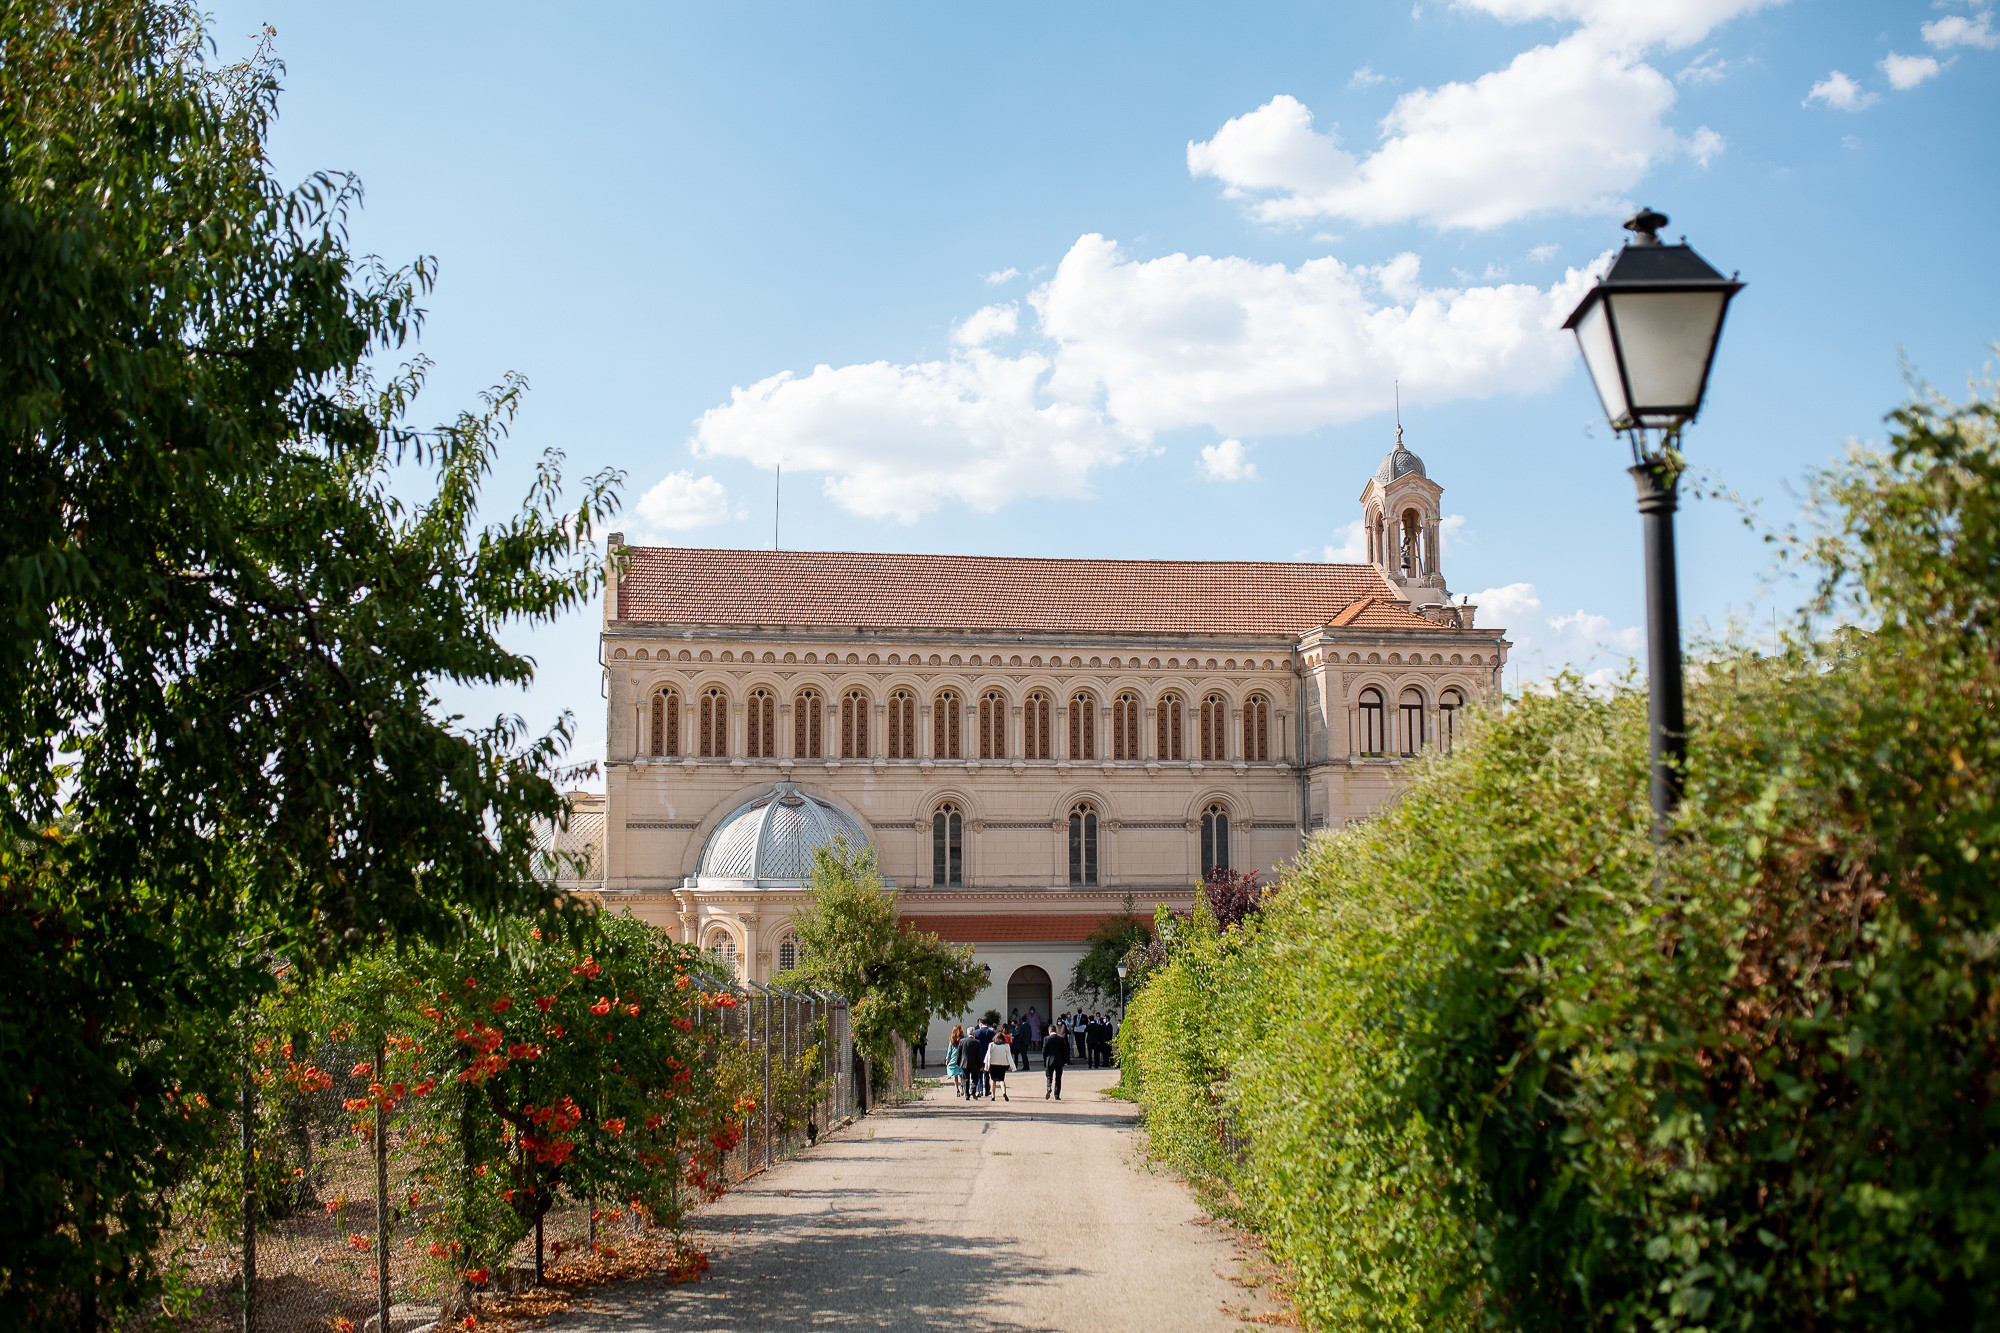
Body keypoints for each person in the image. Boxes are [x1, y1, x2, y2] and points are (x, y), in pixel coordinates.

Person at [1042, 1021, 1068, 1100]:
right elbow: (1064, 1050)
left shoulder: (1046, 1039)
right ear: (1055, 1030)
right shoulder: (1060, 1039)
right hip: (1059, 1060)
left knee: (1049, 1076)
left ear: (1049, 1031)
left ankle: (1049, 1087)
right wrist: (1065, 1061)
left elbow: (1044, 1051)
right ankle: (1057, 1095)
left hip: (1050, 1060)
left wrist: (1045, 1060)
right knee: (1058, 1078)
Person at [957, 1025, 984, 1100]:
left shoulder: (962, 1041)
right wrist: (981, 1065)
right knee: (975, 1078)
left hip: (964, 1063)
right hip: (974, 1064)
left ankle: (966, 1095)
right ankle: (973, 1089)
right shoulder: (977, 1042)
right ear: (974, 1034)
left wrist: (958, 1063)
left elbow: (959, 1053)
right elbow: (979, 1055)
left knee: (966, 1079)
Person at [985, 1027, 1013, 1100]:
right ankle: (1004, 1092)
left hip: (993, 1064)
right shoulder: (1006, 1046)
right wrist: (1012, 1066)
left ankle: (993, 1096)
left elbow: (988, 1055)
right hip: (1002, 1064)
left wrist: (986, 1064)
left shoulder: (991, 1045)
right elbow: (1009, 1056)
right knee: (1001, 1080)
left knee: (993, 1080)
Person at [945, 1023, 966, 1096]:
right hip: (962, 1059)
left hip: (954, 1059)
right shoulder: (964, 1039)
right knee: (961, 1074)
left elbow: (949, 1050)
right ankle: (962, 1087)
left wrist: (947, 1059)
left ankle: (957, 1089)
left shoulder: (952, 1040)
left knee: (955, 1075)